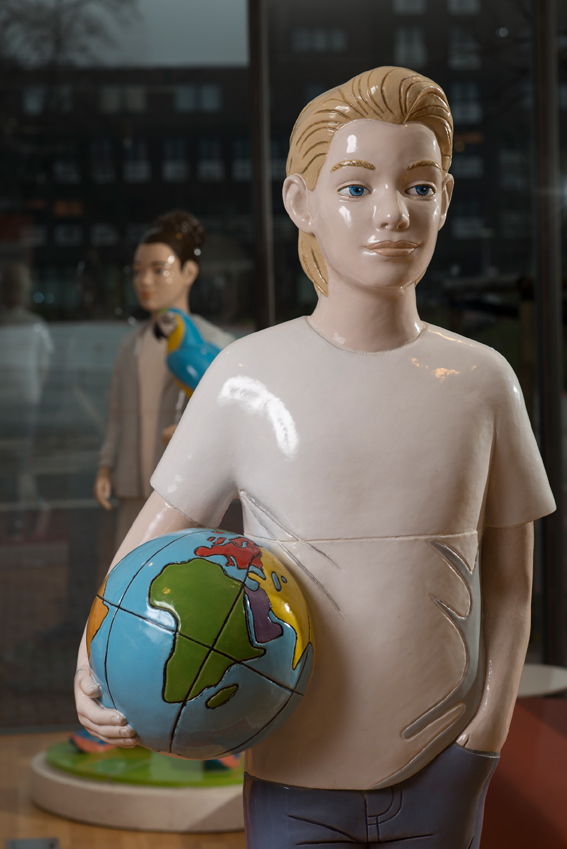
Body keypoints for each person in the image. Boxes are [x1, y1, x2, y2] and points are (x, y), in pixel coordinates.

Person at [75, 67, 555, 848]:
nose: (392, 213)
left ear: (445, 198)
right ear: (301, 201)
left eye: (419, 186)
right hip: (291, 765)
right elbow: (157, 534)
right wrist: (93, 653)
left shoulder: (481, 382)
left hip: (440, 763)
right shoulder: (245, 379)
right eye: (355, 187)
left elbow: (511, 581)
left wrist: (483, 737)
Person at [93, 209, 234, 548]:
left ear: (189, 273)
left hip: (186, 488)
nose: (145, 281)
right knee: (127, 563)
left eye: (159, 270)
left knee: (183, 561)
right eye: (138, 271)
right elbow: (117, 415)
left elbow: (229, 421)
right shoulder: (131, 346)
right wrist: (106, 466)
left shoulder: (217, 344)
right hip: (133, 481)